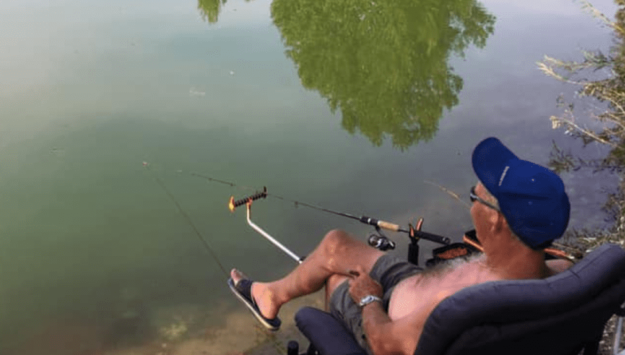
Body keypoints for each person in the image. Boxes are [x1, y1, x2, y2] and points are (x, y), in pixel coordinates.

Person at [228, 137, 572, 355]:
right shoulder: (561, 274)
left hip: (389, 318)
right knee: (335, 245)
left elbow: (386, 344)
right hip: (416, 284)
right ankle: (270, 295)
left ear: (497, 221)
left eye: (474, 196)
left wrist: (368, 299)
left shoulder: (467, 308)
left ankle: (276, 297)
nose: (471, 205)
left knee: (336, 279)